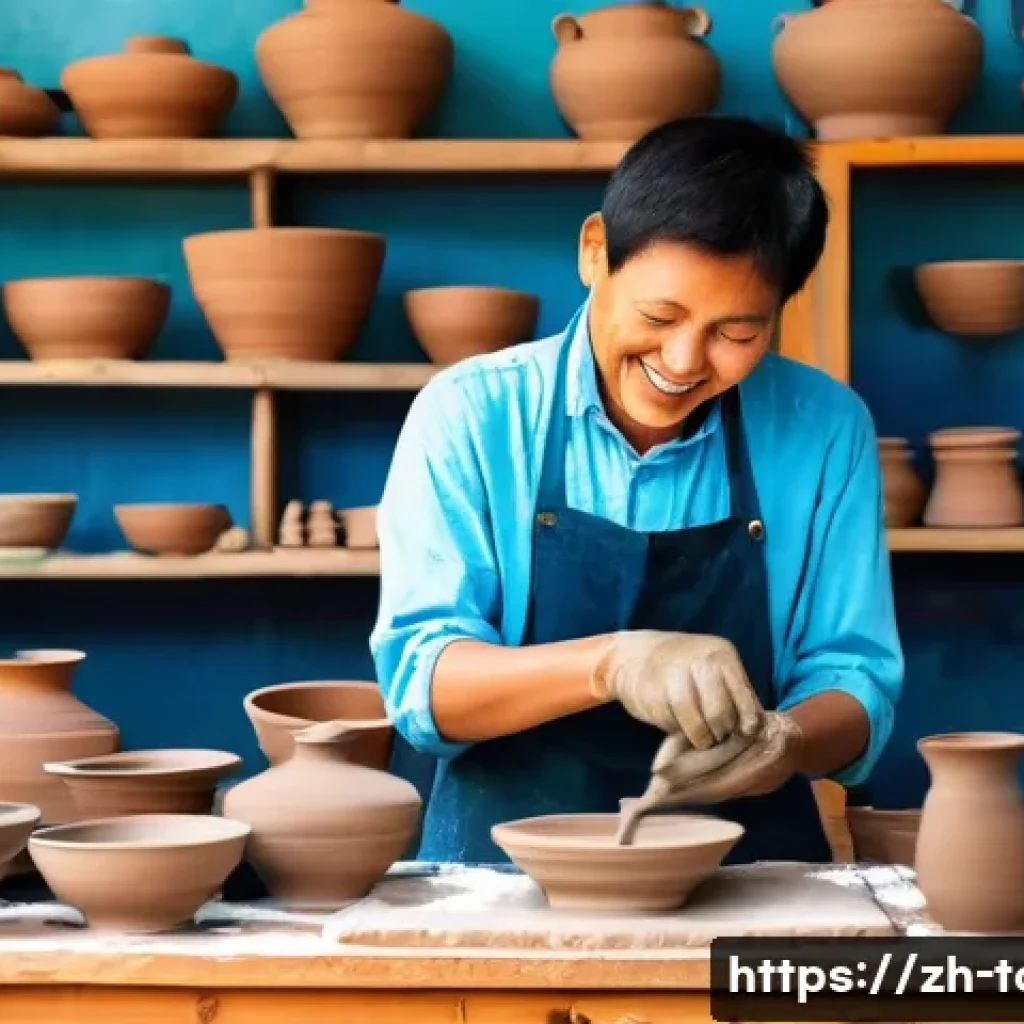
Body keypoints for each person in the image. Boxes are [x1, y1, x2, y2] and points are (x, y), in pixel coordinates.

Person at [370, 115, 903, 865]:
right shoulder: (471, 414)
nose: (684, 360)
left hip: (745, 869)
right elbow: (424, 688)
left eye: (737, 333)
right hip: (505, 873)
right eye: (660, 316)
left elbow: (857, 684)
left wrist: (786, 743)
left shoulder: (824, 429)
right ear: (596, 251)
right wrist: (614, 664)